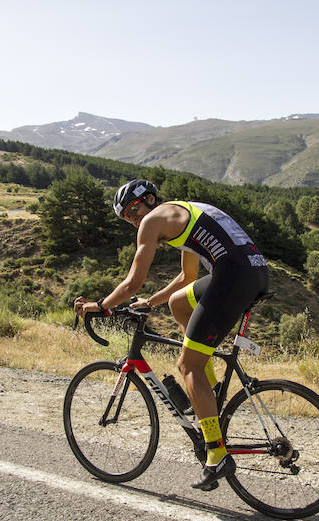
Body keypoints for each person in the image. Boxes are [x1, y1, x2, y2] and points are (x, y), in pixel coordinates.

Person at [73, 178, 269, 491]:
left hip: (233, 276)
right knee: (179, 303)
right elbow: (187, 277)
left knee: (187, 366)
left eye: (133, 210)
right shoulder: (180, 214)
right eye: (126, 218)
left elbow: (132, 282)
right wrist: (151, 302)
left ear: (149, 199)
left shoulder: (153, 221)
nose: (133, 220)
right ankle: (210, 389)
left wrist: (101, 305)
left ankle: (216, 454)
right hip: (252, 271)